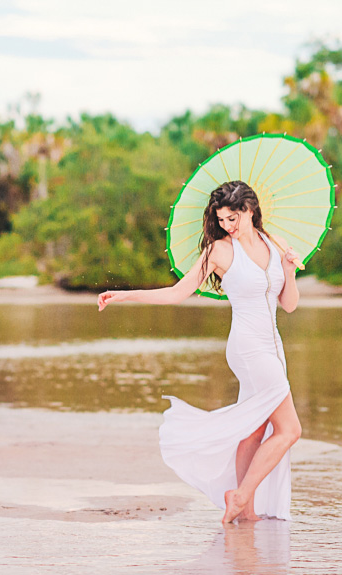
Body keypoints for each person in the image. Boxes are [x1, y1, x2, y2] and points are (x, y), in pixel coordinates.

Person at [97, 180, 302, 523]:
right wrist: (124, 295)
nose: (227, 226)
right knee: (290, 430)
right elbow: (178, 292)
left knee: (254, 431)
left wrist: (289, 271)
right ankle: (239, 495)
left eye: (233, 218)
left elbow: (290, 305)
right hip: (249, 349)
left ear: (250, 210)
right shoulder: (221, 251)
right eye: (221, 220)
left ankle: (246, 513)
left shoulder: (273, 244)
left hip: (274, 347)